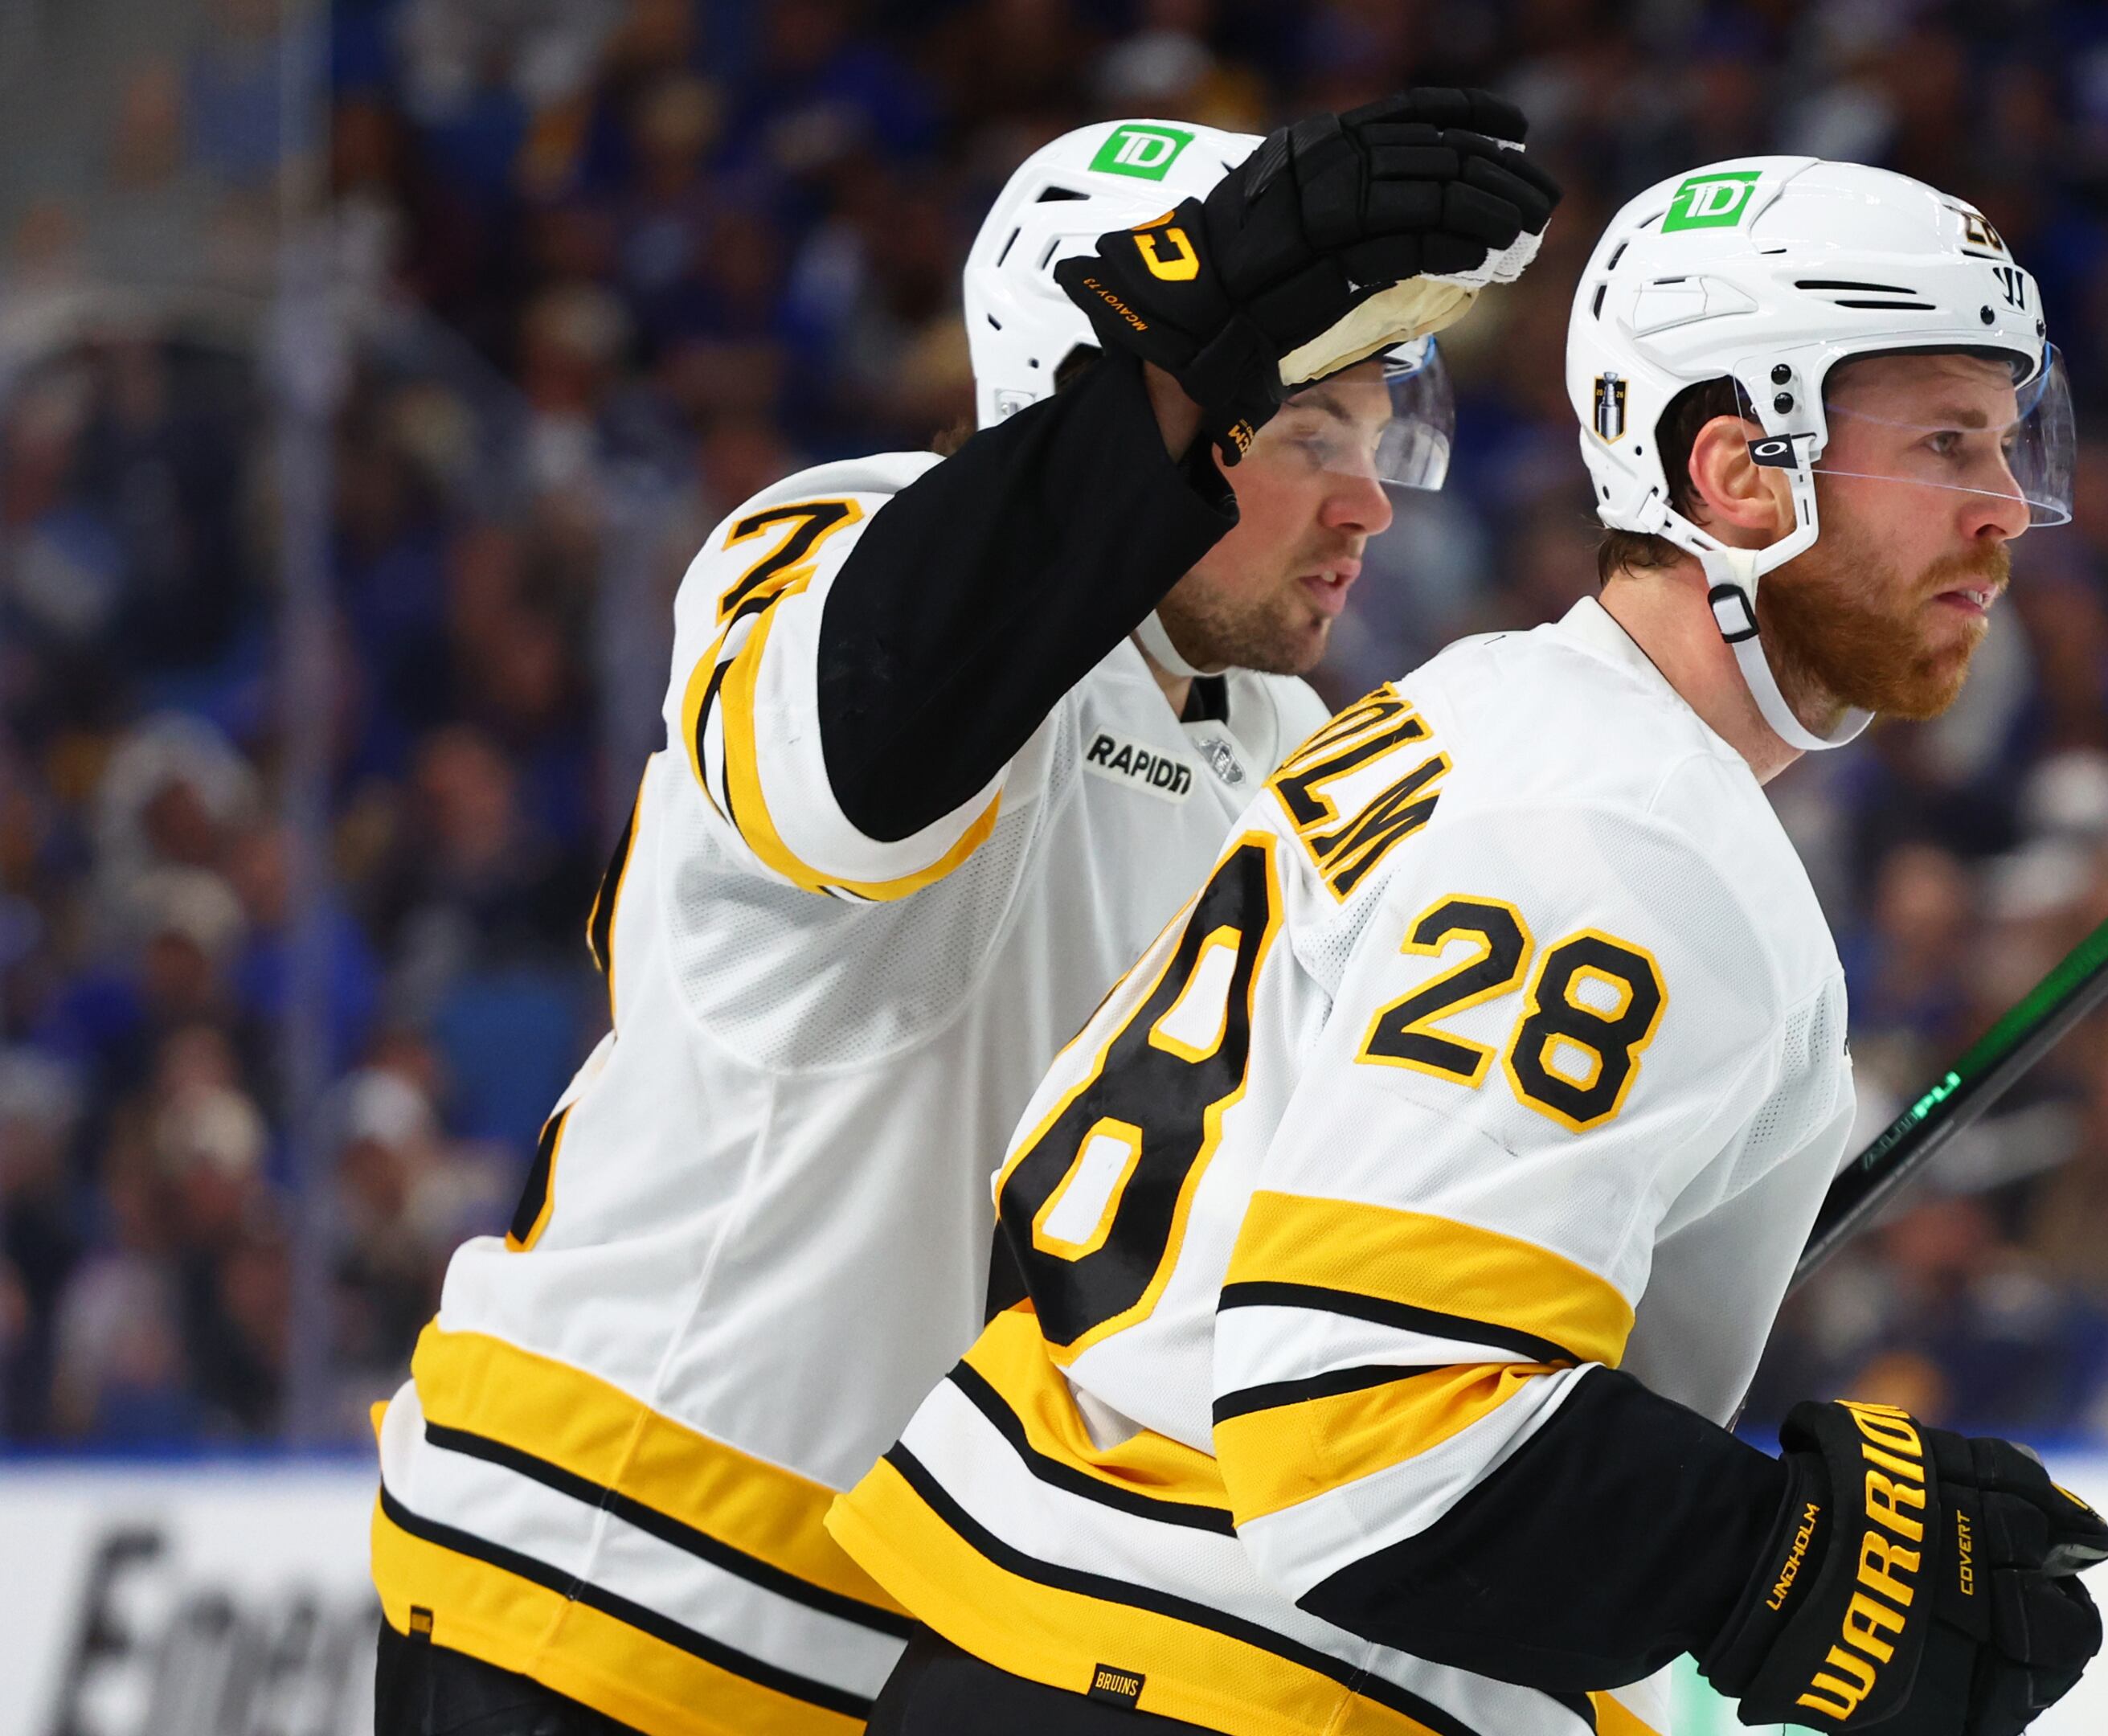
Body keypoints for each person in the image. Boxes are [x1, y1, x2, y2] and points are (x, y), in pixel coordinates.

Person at [829, 157, 2108, 1736]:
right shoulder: (1620, 832)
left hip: (1065, 1637)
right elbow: (1369, 1429)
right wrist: (1792, 1564)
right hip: (1218, 1683)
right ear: (1737, 471)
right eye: (1945, 443)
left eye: (2009, 441)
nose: (2006, 507)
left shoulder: (1477, 710)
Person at [369, 96, 1559, 1736]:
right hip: (614, 1583)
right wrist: (1181, 343)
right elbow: (872, 734)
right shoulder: (831, 539)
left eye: (1378, 438)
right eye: (1306, 432)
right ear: (1116, 379)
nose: (1369, 503)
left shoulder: (1287, 744)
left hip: (938, 1642)